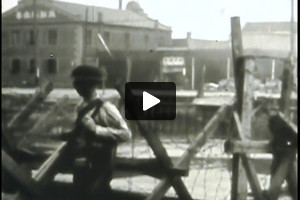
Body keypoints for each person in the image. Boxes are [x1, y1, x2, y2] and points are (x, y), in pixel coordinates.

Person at [62, 65, 131, 200]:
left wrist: (97, 130)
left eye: (81, 83)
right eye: (76, 83)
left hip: (99, 167)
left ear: (93, 85)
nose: (77, 86)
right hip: (81, 165)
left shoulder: (106, 108)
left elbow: (126, 134)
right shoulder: (80, 107)